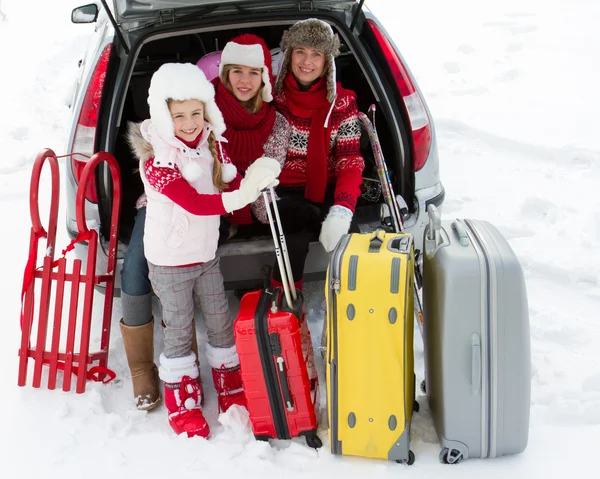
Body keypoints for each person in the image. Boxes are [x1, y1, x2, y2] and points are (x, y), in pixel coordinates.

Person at [126, 62, 280, 438]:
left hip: (206, 253)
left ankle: (229, 385)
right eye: (179, 115)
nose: (190, 122)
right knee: (178, 329)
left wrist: (254, 180)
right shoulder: (155, 162)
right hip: (170, 259)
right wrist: (238, 197)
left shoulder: (212, 141)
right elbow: (194, 202)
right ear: (164, 117)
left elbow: (229, 179)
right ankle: (183, 402)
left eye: (197, 112)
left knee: (219, 321)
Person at [272, 18, 365, 290]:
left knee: (353, 243)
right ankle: (286, 309)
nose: (307, 61)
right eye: (300, 51)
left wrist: (342, 209)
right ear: (289, 55)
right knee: (294, 241)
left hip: (326, 183)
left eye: (316, 54)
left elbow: (350, 160)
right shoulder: (271, 98)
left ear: (327, 62)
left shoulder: (343, 101)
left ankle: (351, 312)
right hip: (283, 188)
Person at [209, 33, 291, 231]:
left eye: (254, 72)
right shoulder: (202, 112)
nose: (245, 80)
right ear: (226, 73)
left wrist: (273, 214)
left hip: (252, 200)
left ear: (263, 78)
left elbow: (265, 175)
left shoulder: (276, 123)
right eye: (237, 70)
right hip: (204, 202)